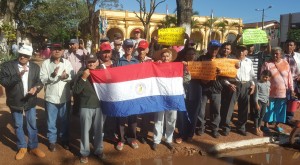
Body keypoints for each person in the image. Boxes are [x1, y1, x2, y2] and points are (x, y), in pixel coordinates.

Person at [0, 44, 45, 160]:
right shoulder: (7, 66)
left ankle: (33, 146)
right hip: (15, 100)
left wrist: (36, 88)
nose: (23, 57)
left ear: (29, 57)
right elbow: (4, 82)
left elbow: (38, 81)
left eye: (26, 55)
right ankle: (22, 147)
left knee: (32, 124)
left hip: (30, 100)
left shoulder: (35, 67)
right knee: (18, 124)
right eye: (21, 54)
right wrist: (17, 76)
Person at [40, 43, 74, 152]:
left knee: (64, 120)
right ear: (51, 50)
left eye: (59, 49)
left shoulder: (67, 63)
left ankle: (64, 139)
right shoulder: (46, 63)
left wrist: (66, 76)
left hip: (65, 97)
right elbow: (42, 79)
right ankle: (52, 141)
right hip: (51, 97)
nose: (57, 51)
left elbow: (72, 76)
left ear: (63, 51)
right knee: (51, 121)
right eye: (55, 49)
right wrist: (53, 75)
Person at [73, 54, 106, 163]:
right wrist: (83, 77)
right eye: (89, 62)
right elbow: (76, 91)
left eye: (93, 61)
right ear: (86, 63)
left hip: (99, 106)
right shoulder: (81, 73)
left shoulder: (102, 73)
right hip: (85, 106)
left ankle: (98, 150)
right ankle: (84, 153)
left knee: (98, 130)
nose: (91, 63)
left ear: (97, 62)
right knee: (85, 131)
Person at [114, 39, 140, 151]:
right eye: (127, 46)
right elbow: (115, 77)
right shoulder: (119, 62)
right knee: (121, 117)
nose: (129, 48)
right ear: (123, 48)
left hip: (133, 94)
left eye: (131, 47)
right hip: (122, 94)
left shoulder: (136, 62)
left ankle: (132, 139)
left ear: (133, 48)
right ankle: (121, 140)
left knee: (133, 118)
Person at [261, 47, 294, 134]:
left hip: (283, 92)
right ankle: (266, 125)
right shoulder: (267, 64)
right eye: (273, 53)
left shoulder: (285, 63)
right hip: (270, 91)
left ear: (281, 54)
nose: (275, 55)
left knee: (280, 109)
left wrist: (291, 89)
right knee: (269, 108)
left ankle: (277, 125)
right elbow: (262, 77)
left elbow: (289, 77)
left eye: (277, 53)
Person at [151, 48, 178, 151]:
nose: (165, 58)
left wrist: (185, 68)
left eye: (167, 56)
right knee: (159, 118)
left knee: (172, 118)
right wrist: (155, 64)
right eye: (163, 56)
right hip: (160, 96)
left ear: (171, 58)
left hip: (172, 96)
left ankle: (169, 139)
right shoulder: (157, 66)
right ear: (161, 57)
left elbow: (185, 78)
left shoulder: (176, 67)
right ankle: (156, 140)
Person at [197, 40, 224, 138]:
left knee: (216, 110)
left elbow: (227, 73)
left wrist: (222, 72)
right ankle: (201, 128)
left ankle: (214, 129)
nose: (214, 50)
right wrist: (202, 79)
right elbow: (196, 71)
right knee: (201, 110)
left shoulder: (222, 60)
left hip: (216, 88)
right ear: (208, 48)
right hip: (203, 87)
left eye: (216, 48)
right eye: (212, 47)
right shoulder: (201, 58)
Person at [234, 45, 256, 136]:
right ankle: (225, 126)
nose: (241, 52)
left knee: (244, 107)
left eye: (243, 51)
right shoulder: (232, 61)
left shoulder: (249, 62)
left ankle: (241, 127)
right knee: (229, 106)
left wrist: (253, 85)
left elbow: (252, 75)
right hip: (234, 85)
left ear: (246, 52)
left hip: (246, 85)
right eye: (239, 50)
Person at [64, 39, 85, 115]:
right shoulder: (67, 52)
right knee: (69, 93)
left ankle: (76, 111)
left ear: (77, 44)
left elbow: (88, 57)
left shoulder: (81, 52)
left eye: (74, 44)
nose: (73, 45)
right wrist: (70, 51)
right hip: (70, 76)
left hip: (79, 76)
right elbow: (64, 58)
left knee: (78, 93)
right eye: (71, 44)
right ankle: (68, 110)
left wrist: (83, 48)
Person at [283, 39, 300, 125]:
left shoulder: (298, 56)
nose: (288, 47)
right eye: (287, 45)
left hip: (295, 81)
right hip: (283, 81)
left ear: (294, 47)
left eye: (291, 45)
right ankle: (281, 117)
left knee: (293, 100)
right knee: (283, 99)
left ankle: (289, 118)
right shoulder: (281, 56)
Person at [253, 70, 271, 136]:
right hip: (259, 101)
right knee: (257, 114)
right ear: (261, 75)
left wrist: (268, 101)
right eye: (264, 77)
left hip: (265, 101)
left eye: (267, 77)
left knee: (262, 115)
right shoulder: (258, 83)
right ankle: (256, 128)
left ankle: (259, 127)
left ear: (269, 78)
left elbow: (268, 93)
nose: (265, 78)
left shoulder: (268, 83)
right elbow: (256, 94)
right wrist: (256, 103)